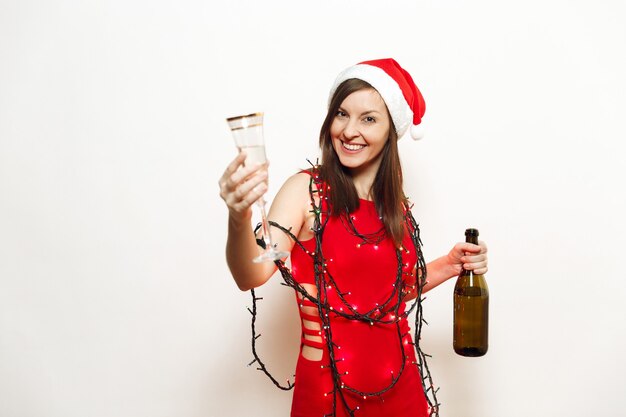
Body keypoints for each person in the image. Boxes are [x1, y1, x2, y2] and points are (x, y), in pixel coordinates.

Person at [219, 58, 488, 417]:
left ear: (391, 130)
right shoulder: (306, 191)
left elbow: (389, 297)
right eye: (341, 114)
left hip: (403, 392)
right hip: (327, 394)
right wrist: (238, 217)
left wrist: (449, 265)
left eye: (369, 119)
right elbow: (250, 274)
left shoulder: (396, 208)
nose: (349, 130)